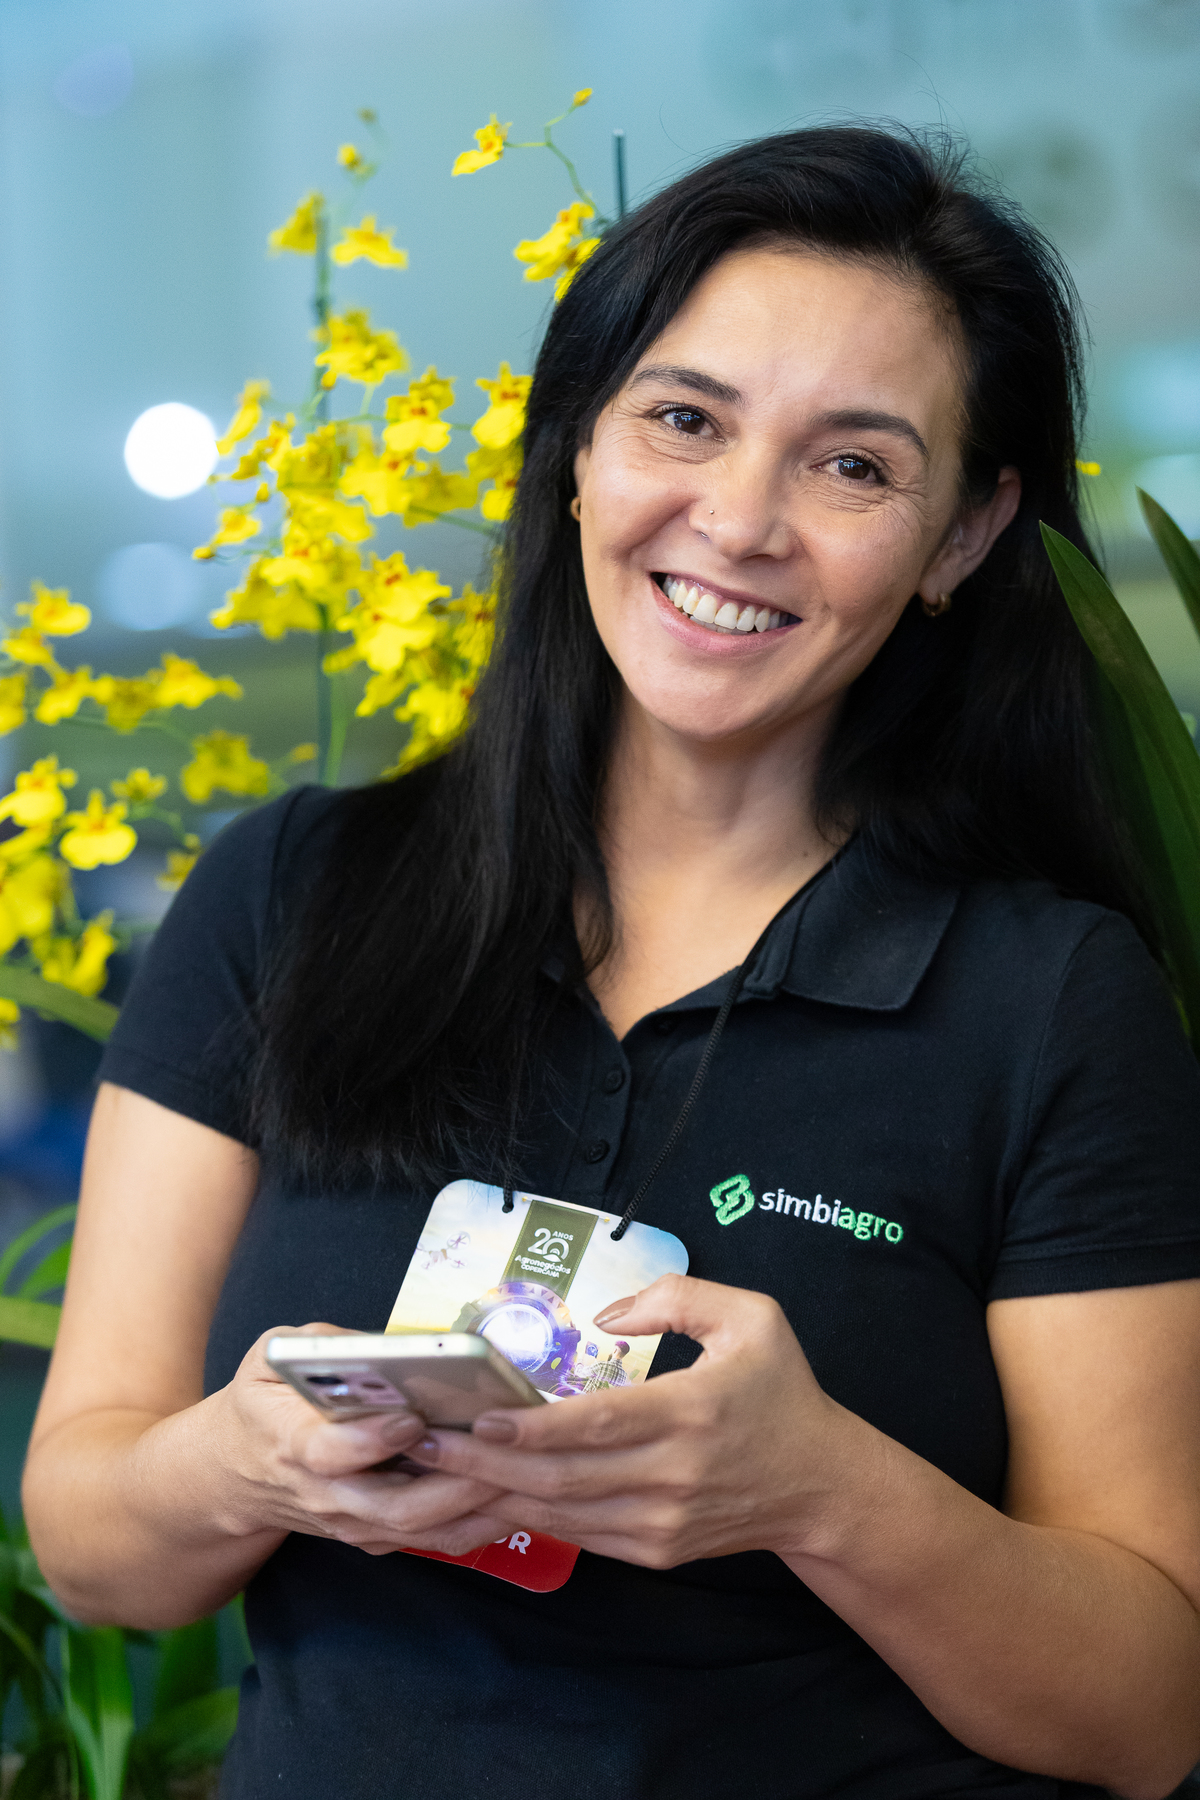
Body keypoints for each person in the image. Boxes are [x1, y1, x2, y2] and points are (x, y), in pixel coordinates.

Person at [22, 126, 1200, 1800]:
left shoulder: (1051, 998)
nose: (738, 520)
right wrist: (252, 1460)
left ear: (963, 535)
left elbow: (1148, 1715)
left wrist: (820, 1492)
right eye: (685, 418)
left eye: (853, 466)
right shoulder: (290, 895)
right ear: (575, 442)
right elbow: (94, 1553)